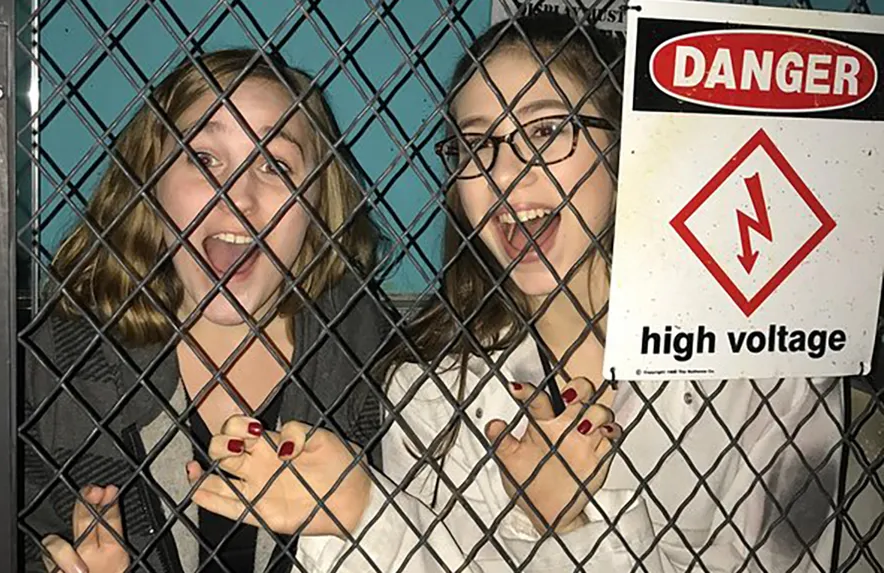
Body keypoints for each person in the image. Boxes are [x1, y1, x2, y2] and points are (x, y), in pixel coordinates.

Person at [189, 12, 843, 573]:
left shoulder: (762, 365)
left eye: (546, 131)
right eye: (476, 144)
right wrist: (356, 513)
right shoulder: (430, 394)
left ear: (625, 149)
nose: (504, 173)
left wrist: (568, 525)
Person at [23, 48, 391, 573]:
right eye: (204, 159)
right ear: (150, 186)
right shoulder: (58, 368)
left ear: (315, 202)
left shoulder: (379, 369)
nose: (237, 196)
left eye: (274, 164)